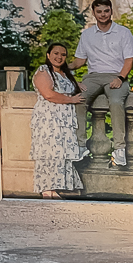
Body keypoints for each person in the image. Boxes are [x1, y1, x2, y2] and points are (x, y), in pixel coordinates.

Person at [70, 0, 133, 167]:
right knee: (79, 100)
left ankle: (119, 148)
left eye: (106, 11)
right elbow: (79, 62)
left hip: (116, 75)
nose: (103, 14)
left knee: (115, 102)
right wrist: (59, 66)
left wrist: (120, 78)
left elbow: (129, 60)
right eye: (99, 11)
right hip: (93, 77)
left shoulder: (123, 32)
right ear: (93, 13)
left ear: (111, 11)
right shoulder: (86, 34)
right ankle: (80, 145)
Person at [30, 42, 84, 198]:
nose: (59, 57)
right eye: (56, 53)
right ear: (48, 55)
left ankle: (54, 189)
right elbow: (48, 94)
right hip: (49, 119)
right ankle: (47, 189)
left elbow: (68, 89)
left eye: (63, 54)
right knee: (49, 152)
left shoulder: (65, 74)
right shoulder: (43, 71)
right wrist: (71, 100)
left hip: (64, 121)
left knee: (60, 153)